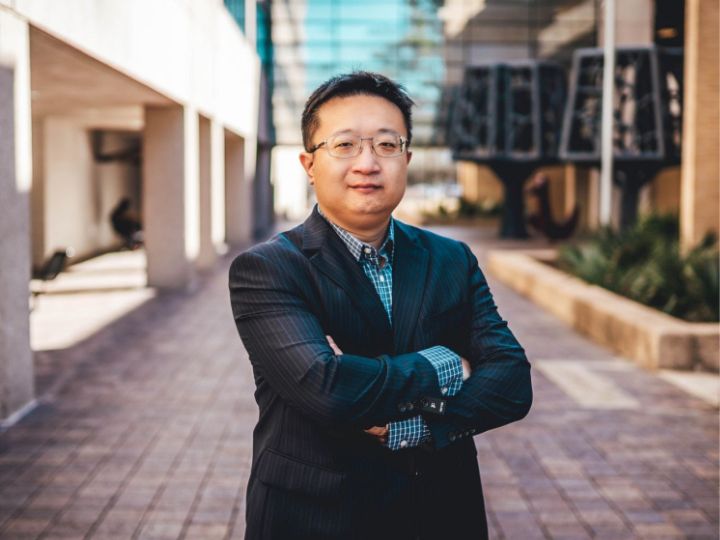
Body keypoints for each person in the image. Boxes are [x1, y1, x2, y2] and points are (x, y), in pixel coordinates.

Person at [229, 71, 532, 540]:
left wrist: (414, 426)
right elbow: (327, 388)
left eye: (387, 146)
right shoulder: (269, 269)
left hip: (441, 512)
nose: (368, 164)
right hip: (317, 517)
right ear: (309, 164)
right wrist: (449, 362)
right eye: (345, 145)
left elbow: (512, 381)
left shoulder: (451, 259)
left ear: (407, 159)